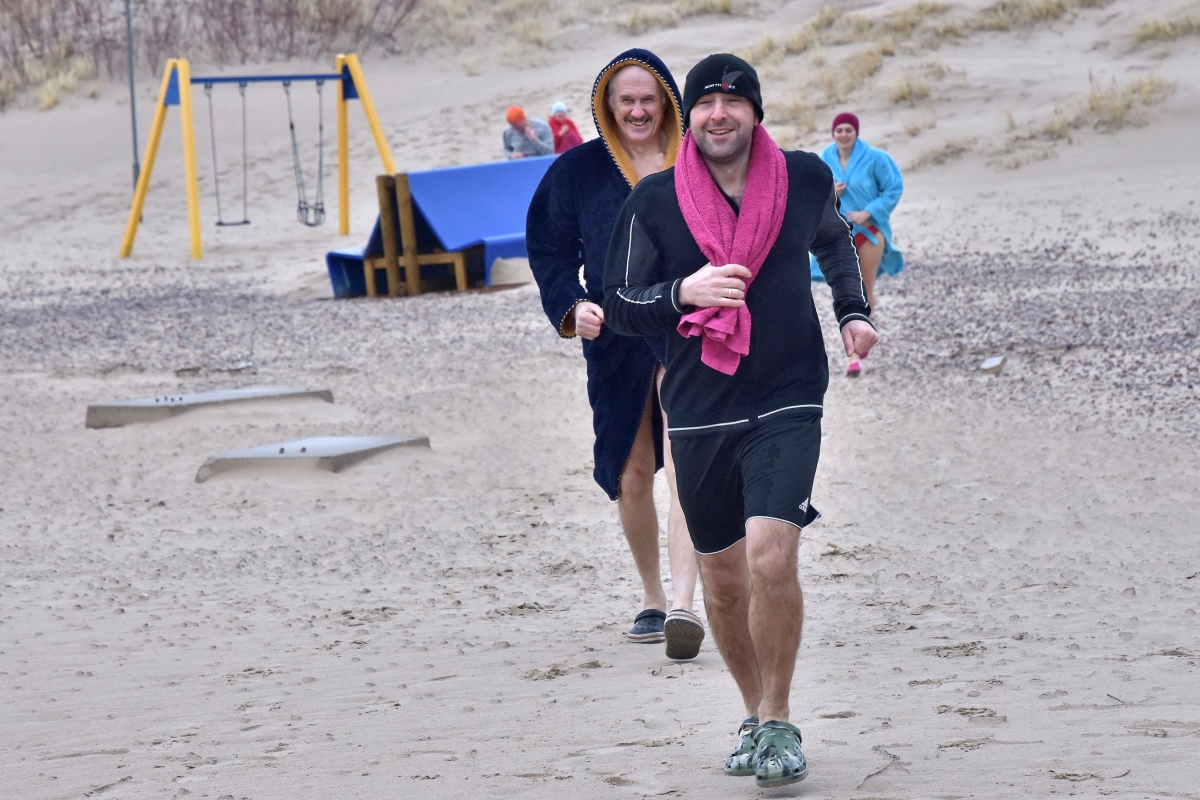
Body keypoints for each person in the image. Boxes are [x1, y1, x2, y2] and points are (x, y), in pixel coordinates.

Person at [602, 54, 878, 787]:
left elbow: (836, 241)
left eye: (733, 102)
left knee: (770, 556)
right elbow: (619, 301)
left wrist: (852, 312)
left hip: (789, 393)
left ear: (755, 112)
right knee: (723, 581)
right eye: (705, 103)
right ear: (687, 116)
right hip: (697, 410)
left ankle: (781, 719)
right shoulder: (654, 201)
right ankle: (754, 714)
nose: (718, 114)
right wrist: (683, 292)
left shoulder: (803, 179)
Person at [526, 50, 704, 660]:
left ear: (667, 102)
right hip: (614, 337)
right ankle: (653, 595)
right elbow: (548, 249)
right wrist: (571, 306)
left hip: (686, 324)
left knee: (685, 464)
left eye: (648, 99)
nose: (637, 110)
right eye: (625, 100)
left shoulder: (697, 161)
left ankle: (684, 604)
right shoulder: (577, 170)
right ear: (607, 104)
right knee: (631, 472)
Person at [811, 111, 903, 376]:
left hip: (870, 232)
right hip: (836, 233)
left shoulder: (875, 158)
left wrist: (869, 211)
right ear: (833, 133)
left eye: (848, 130)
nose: (843, 135)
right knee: (843, 290)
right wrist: (831, 190)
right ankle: (854, 354)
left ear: (856, 132)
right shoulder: (824, 158)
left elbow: (893, 188)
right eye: (839, 130)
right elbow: (813, 192)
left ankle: (858, 348)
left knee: (863, 290)